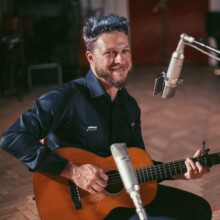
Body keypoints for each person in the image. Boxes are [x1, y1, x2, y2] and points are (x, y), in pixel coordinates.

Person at [0, 13, 212, 220]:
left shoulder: (129, 106)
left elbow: (137, 167)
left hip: (120, 198)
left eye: (125, 50)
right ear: (90, 57)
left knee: (199, 209)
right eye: (110, 52)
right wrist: (71, 171)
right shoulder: (66, 98)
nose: (120, 59)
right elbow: (12, 137)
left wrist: (181, 172)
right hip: (77, 207)